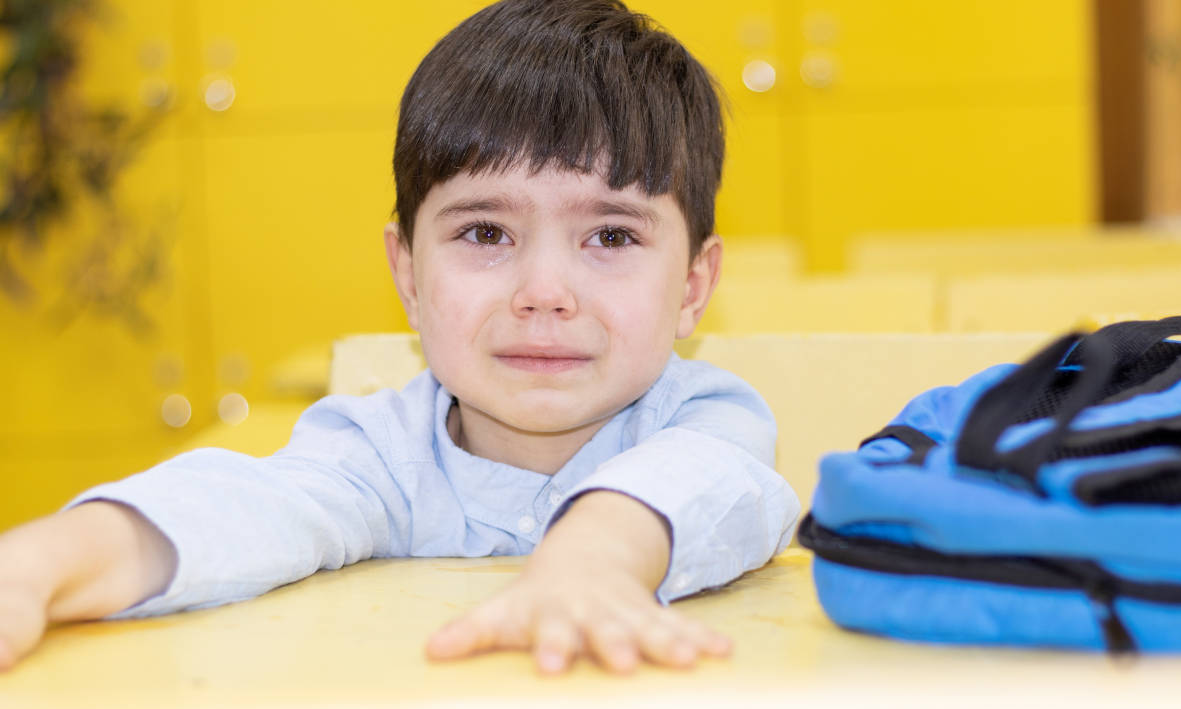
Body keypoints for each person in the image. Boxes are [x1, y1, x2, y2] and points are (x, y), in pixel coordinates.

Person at [0, 0, 800, 675]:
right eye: (486, 232)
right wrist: (40, 565)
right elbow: (243, 509)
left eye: (613, 238)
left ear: (694, 285)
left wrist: (594, 560)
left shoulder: (709, 419)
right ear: (409, 276)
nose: (544, 294)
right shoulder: (382, 455)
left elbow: (696, 483)